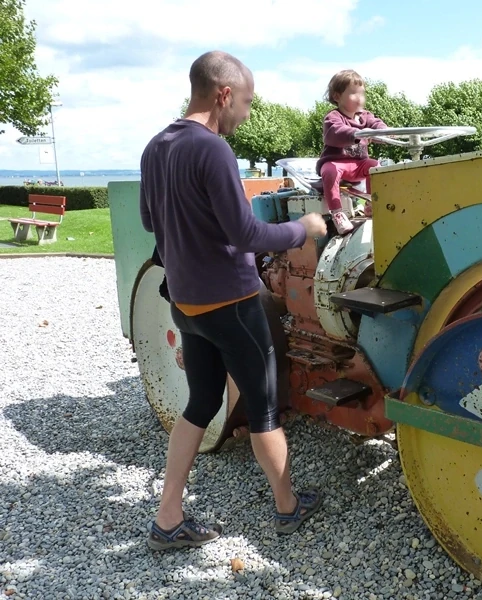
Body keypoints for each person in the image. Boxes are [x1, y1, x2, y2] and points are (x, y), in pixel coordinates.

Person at [139, 50, 327, 550]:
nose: (246, 114)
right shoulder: (213, 149)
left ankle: (168, 517)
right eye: (245, 102)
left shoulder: (157, 147)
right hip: (231, 305)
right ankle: (288, 506)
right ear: (223, 94)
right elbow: (245, 233)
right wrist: (301, 229)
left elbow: (150, 223)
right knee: (265, 409)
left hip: (187, 304)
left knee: (200, 402)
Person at [316, 69, 388, 235]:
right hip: (338, 163)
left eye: (362, 93)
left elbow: (377, 124)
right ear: (337, 96)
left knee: (375, 166)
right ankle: (337, 213)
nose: (360, 98)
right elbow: (335, 132)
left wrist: (384, 133)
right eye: (354, 94)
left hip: (359, 165)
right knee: (330, 169)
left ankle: (372, 205)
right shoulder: (333, 117)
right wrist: (355, 134)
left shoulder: (365, 116)